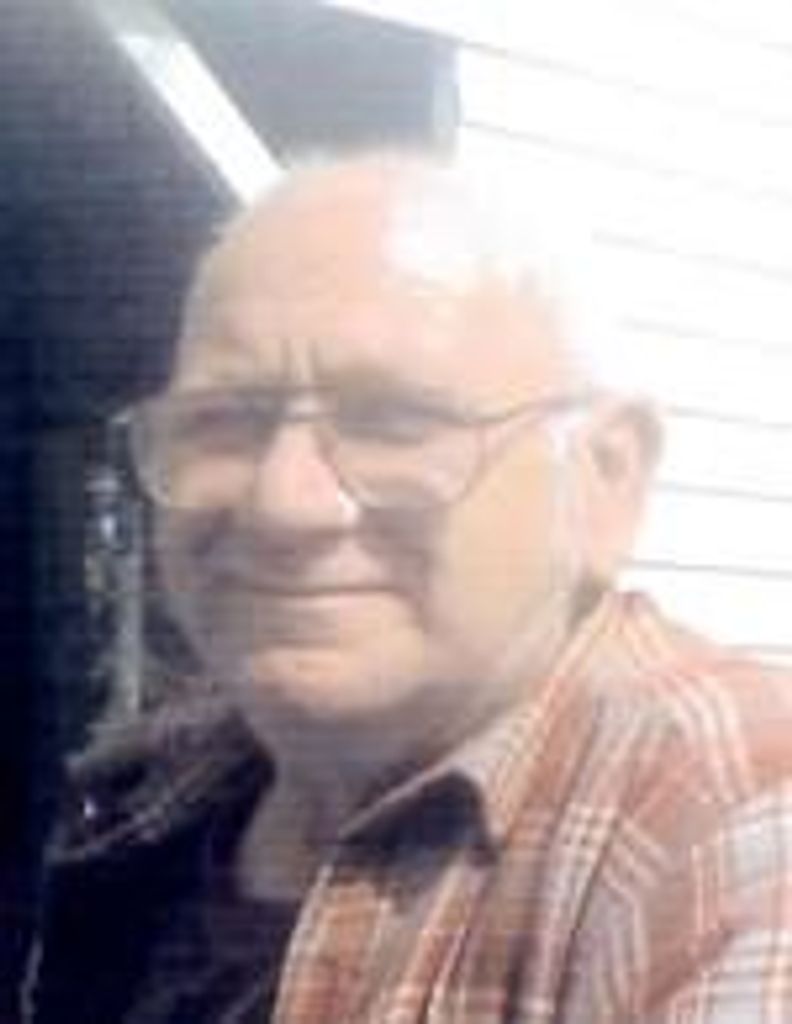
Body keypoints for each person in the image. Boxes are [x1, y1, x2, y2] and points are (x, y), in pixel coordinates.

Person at [29, 152, 792, 1023]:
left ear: (605, 478)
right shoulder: (140, 803)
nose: (283, 505)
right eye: (224, 421)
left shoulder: (730, 811)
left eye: (393, 421)